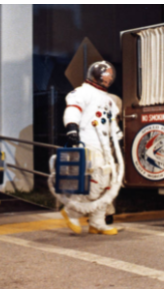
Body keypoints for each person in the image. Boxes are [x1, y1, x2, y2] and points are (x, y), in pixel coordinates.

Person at [54, 61, 124, 235]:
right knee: (94, 182)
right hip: (89, 143)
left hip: (105, 147)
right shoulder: (82, 92)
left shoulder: (109, 100)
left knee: (108, 183)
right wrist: (71, 127)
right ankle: (71, 211)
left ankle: (97, 222)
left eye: (110, 76)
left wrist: (118, 137)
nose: (107, 79)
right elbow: (73, 110)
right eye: (104, 76)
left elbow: (111, 122)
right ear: (95, 75)